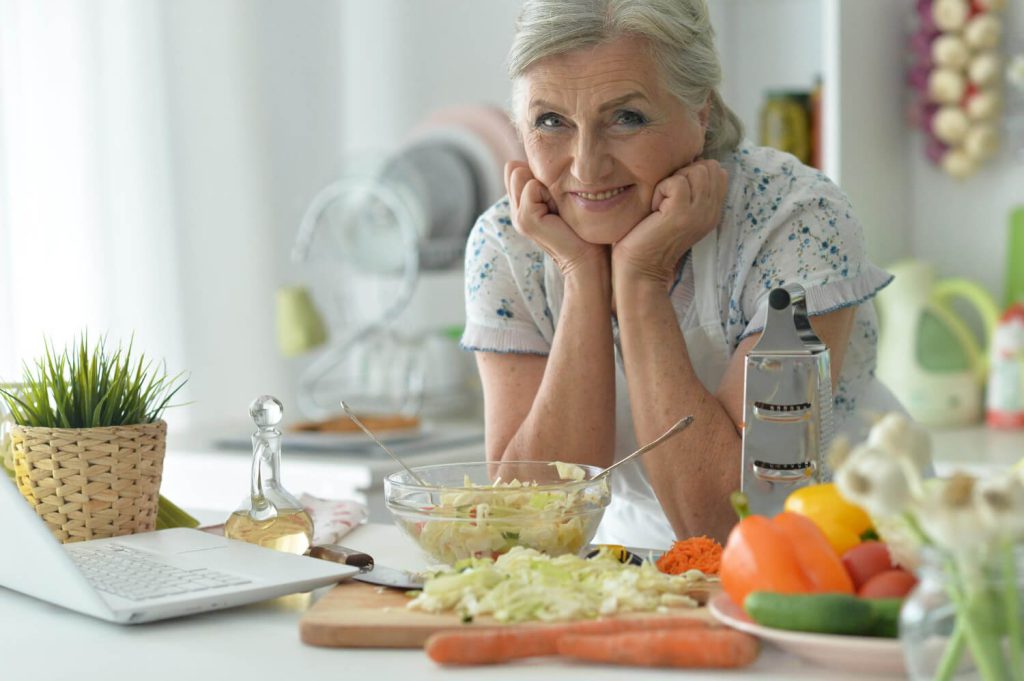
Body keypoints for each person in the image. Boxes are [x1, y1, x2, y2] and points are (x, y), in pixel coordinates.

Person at [460, 0, 900, 546]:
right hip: (635, 567)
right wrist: (582, 276)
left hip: (847, 554)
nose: (586, 166)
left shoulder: (795, 220)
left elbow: (739, 522)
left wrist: (643, 280)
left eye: (627, 118)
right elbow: (529, 524)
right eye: (551, 121)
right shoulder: (510, 243)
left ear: (701, 114)